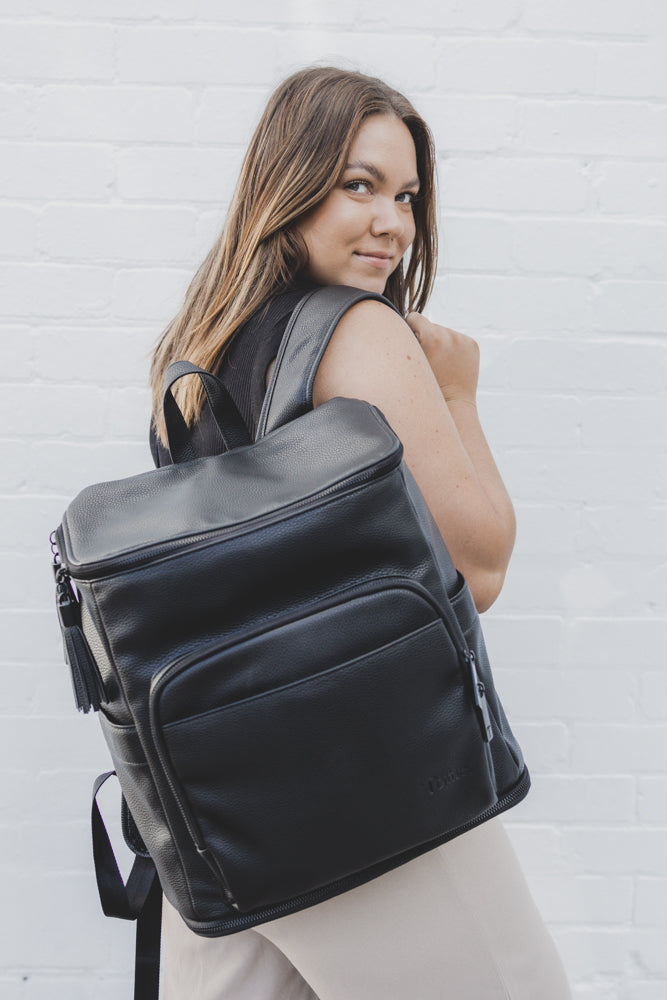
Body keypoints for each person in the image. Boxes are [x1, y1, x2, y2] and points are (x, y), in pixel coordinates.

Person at [149, 66, 571, 1000]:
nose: (392, 221)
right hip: (364, 796)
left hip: (218, 811)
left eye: (407, 195)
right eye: (358, 185)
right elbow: (479, 563)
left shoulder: (203, 349)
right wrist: (458, 389)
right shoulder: (358, 331)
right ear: (288, 186)